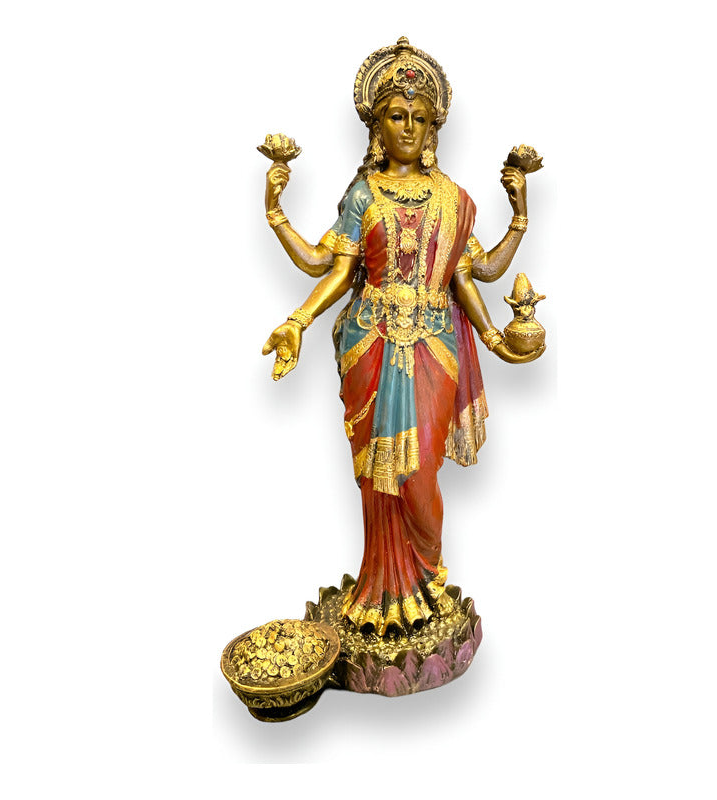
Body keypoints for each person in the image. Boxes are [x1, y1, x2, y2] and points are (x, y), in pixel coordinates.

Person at [262, 38, 542, 636]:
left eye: (419, 117)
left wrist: (519, 219)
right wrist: (295, 308)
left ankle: (425, 582)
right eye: (396, 115)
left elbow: (476, 272)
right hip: (372, 347)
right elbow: (329, 267)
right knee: (378, 480)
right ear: (376, 127)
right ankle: (381, 590)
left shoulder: (453, 199)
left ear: (434, 127)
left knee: (418, 477)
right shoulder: (363, 195)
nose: (409, 127)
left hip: (434, 350)